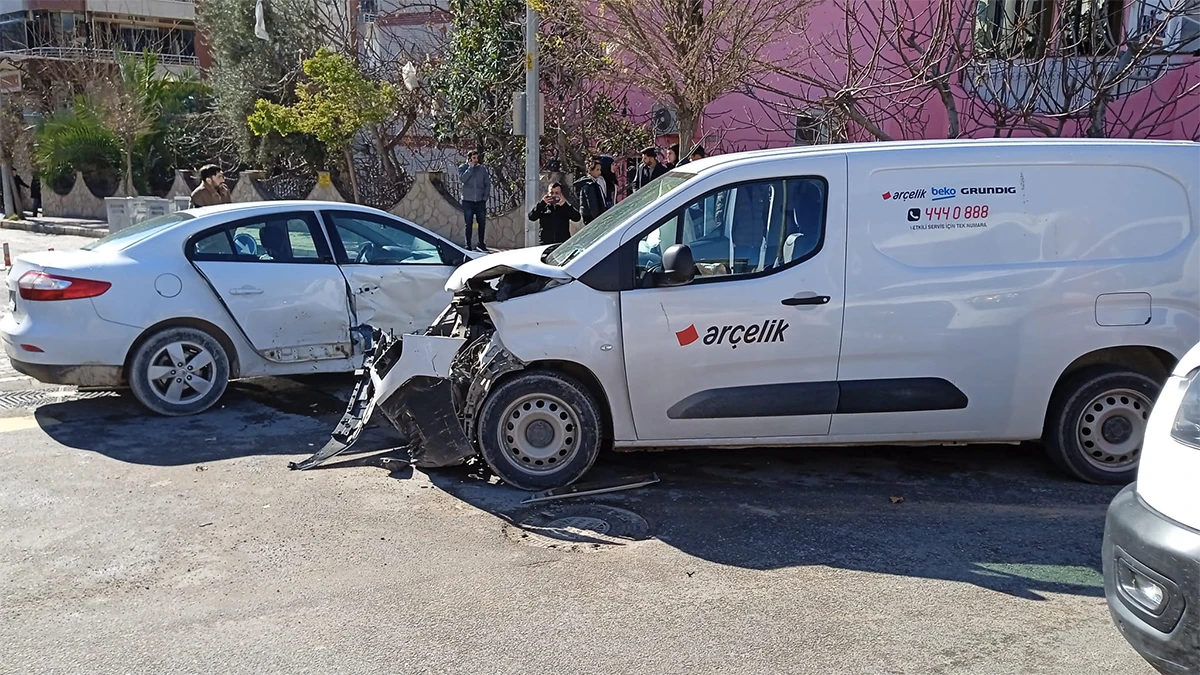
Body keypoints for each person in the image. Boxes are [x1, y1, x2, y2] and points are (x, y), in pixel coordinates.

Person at [458, 150, 491, 251]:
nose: (476, 160)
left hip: (480, 201)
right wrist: (470, 168)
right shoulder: (463, 168)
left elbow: (487, 184)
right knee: (468, 224)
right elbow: (463, 179)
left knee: (482, 223)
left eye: (477, 158)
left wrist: (485, 197)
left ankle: (481, 243)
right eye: (473, 158)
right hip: (468, 201)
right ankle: (468, 245)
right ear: (469, 158)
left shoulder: (482, 169)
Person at [573, 158, 609, 225]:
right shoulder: (589, 186)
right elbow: (593, 205)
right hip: (592, 219)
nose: (599, 172)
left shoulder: (595, 183)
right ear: (590, 170)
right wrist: (598, 220)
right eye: (597, 170)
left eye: (600, 170)